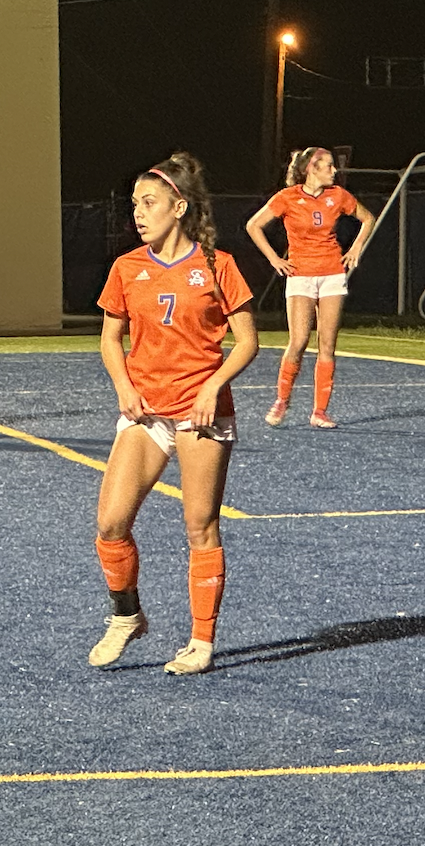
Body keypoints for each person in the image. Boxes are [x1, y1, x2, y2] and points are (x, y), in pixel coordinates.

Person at [89, 152, 258, 676]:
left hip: (198, 413)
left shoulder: (217, 265)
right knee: (110, 523)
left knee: (199, 527)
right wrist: (123, 386)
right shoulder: (127, 268)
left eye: (149, 202)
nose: (137, 213)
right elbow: (110, 338)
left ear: (179, 207)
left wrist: (213, 388)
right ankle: (127, 616)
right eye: (135, 203)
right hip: (146, 413)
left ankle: (201, 643)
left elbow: (248, 341)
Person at [245, 146, 374, 429]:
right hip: (301, 274)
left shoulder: (338, 196)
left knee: (327, 345)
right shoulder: (288, 197)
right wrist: (274, 258)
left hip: (332, 274)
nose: (334, 170)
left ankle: (320, 411)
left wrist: (355, 249)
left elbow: (368, 219)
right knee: (299, 340)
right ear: (311, 169)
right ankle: (282, 399)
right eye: (328, 165)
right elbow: (253, 226)